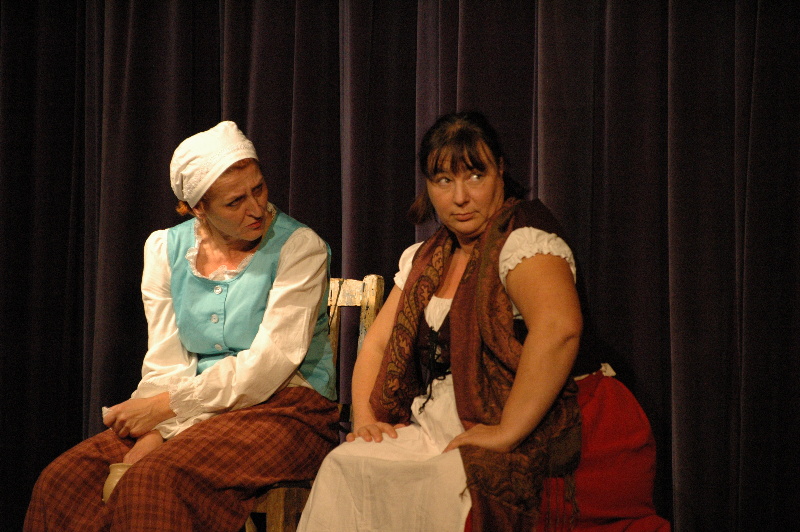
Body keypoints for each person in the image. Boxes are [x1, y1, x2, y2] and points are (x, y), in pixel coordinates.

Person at [299, 112, 669, 531]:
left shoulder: (522, 241)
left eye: (475, 176)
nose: (460, 197)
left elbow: (559, 329)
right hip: (442, 420)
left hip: (535, 415)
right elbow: (379, 343)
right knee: (346, 464)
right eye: (444, 181)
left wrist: (506, 431)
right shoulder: (428, 257)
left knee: (441, 488)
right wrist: (367, 422)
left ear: (500, 172)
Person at [25, 121, 339, 531]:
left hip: (285, 410)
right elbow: (166, 358)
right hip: (189, 406)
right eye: (235, 202)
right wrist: (157, 429)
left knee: (152, 482)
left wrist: (167, 411)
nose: (257, 209)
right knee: (63, 481)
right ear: (197, 208)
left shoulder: (299, 247)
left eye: (259, 189)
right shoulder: (165, 249)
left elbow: (268, 365)